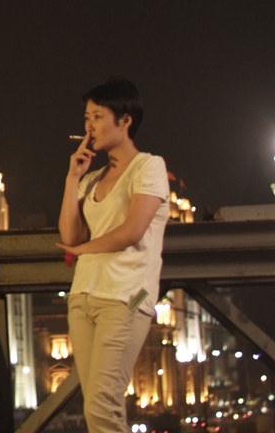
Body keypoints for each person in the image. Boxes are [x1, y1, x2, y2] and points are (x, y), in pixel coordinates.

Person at [57, 78, 170, 433]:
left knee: (103, 405)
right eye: (86, 118)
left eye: (98, 116)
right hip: (83, 296)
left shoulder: (148, 167)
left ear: (125, 121)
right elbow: (70, 235)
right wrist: (72, 178)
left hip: (126, 296)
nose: (89, 126)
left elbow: (132, 231)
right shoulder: (91, 179)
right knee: (95, 404)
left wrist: (82, 250)